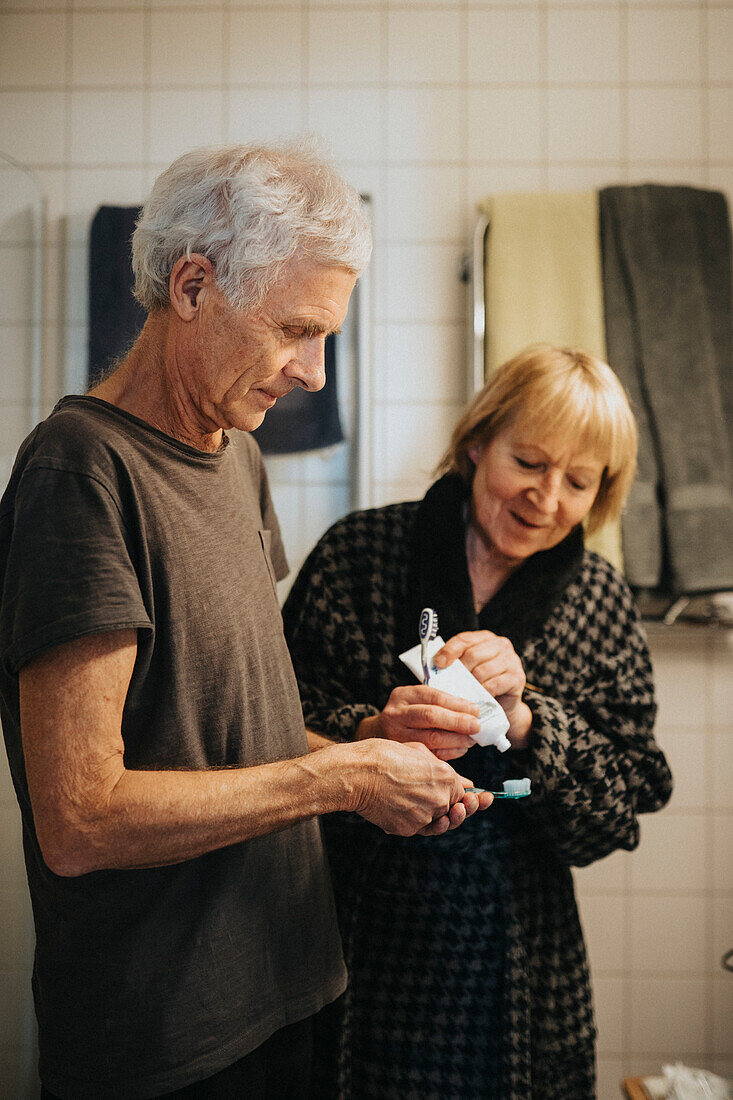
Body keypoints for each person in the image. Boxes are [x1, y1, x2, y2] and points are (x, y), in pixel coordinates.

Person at [0, 142, 491, 1100]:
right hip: (165, 1040)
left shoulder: (233, 455)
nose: (312, 372)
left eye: (327, 338)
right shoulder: (80, 472)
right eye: (295, 331)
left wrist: (372, 752)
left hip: (288, 983)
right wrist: (339, 775)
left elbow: (221, 733)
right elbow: (80, 818)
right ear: (191, 285)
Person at [283, 345, 674, 1100]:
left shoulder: (596, 599)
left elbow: (625, 801)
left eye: (578, 482)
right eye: (527, 462)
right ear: (475, 444)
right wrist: (370, 732)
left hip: (521, 946)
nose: (547, 497)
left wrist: (528, 722)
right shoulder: (360, 553)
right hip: (355, 929)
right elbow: (265, 725)